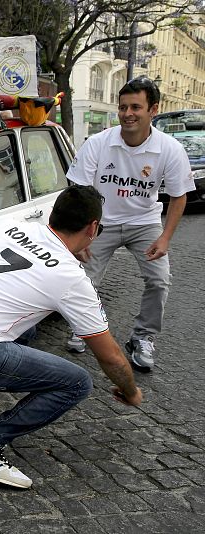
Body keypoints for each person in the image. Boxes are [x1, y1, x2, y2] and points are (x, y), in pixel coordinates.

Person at [0, 185, 142, 489]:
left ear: (53, 214)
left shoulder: (11, 227)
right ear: (93, 228)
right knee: (77, 383)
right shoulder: (71, 277)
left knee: (26, 331)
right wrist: (130, 391)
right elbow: (110, 356)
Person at [65, 76, 195, 371]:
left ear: (153, 110)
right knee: (83, 279)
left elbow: (178, 197)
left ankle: (143, 338)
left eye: (136, 107)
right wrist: (81, 235)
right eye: (123, 107)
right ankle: (87, 328)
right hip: (100, 222)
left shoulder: (170, 149)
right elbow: (78, 191)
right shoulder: (98, 143)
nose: (127, 114)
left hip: (145, 222)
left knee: (159, 280)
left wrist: (165, 239)